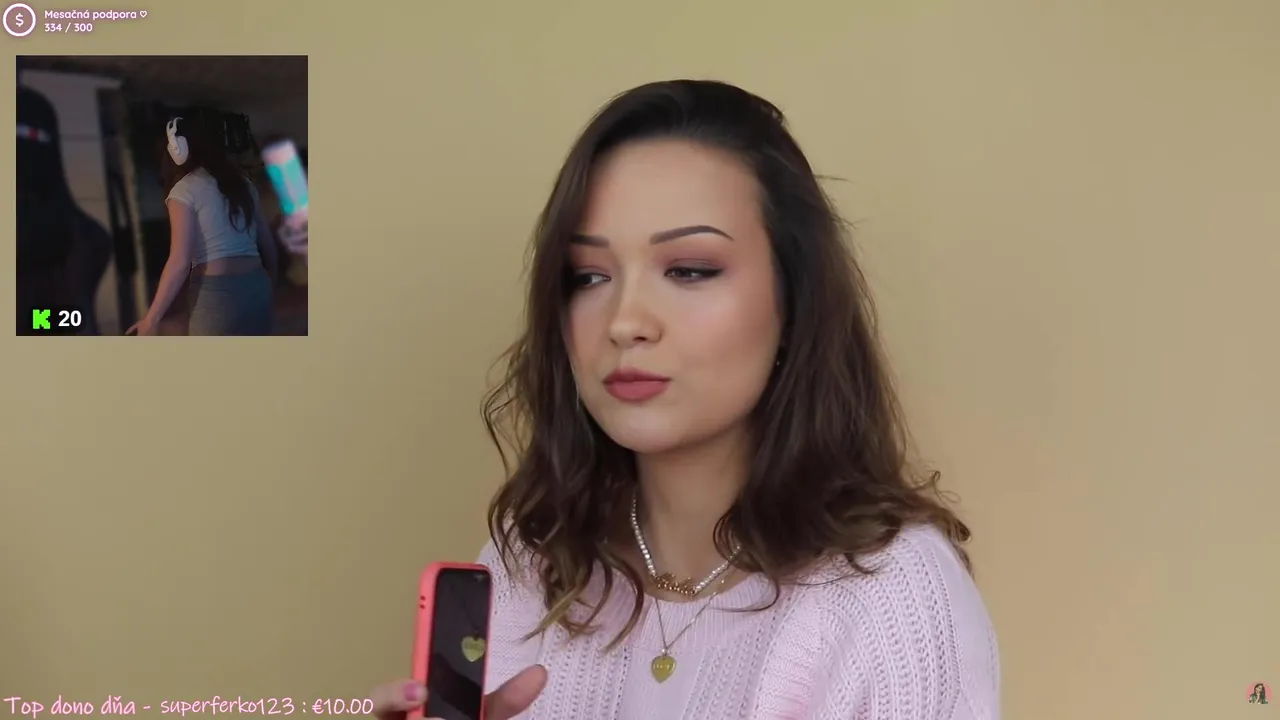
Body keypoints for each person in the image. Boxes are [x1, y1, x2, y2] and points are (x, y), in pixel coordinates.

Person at [372, 79, 1001, 719]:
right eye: (588, 277)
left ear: (794, 302)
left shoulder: (889, 595)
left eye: (690, 270)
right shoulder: (530, 563)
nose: (625, 322)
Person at [127, 110, 278, 336]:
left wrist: (151, 319)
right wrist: (269, 283)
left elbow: (179, 262)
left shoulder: (184, 190)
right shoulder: (242, 183)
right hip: (257, 284)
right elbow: (267, 243)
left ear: (177, 150)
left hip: (218, 292)